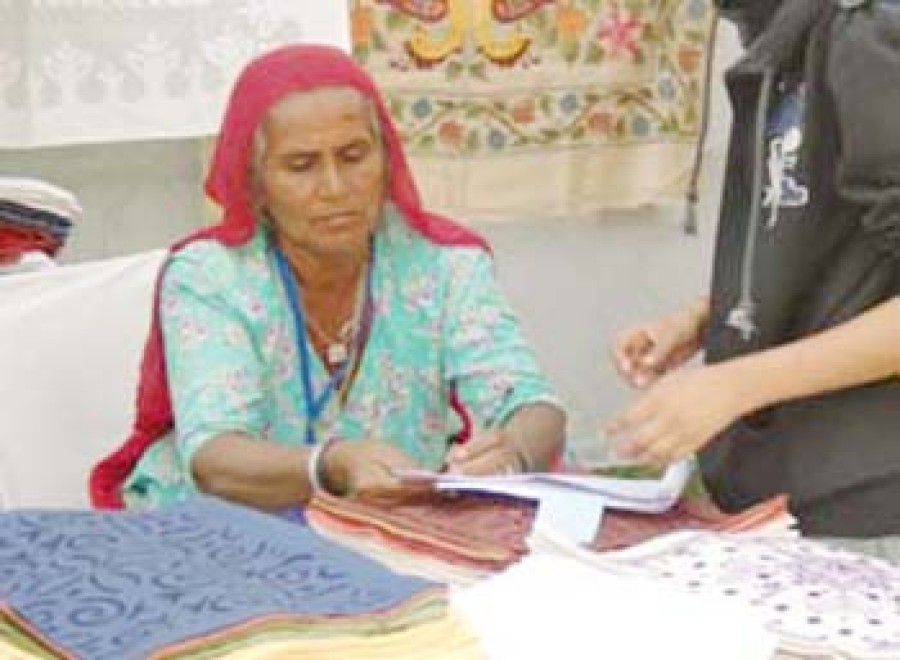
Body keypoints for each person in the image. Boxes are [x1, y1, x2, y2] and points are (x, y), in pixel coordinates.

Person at [90, 44, 565, 511]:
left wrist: (512, 454)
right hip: (232, 522)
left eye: (354, 156)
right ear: (255, 181)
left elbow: (533, 404)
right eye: (301, 166)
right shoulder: (210, 276)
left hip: (392, 523)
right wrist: (329, 465)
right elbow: (215, 459)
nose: (335, 188)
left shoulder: (445, 263)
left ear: (386, 159)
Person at [606, 0, 900, 557]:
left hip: (869, 510)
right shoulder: (784, 32)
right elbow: (833, 245)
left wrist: (734, 385)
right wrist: (709, 315)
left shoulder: (866, 32)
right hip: (788, 502)